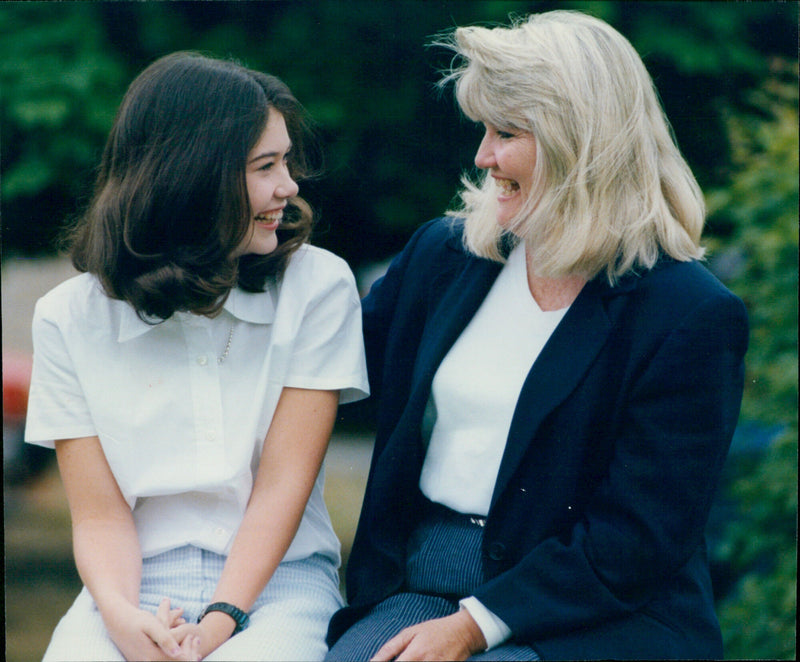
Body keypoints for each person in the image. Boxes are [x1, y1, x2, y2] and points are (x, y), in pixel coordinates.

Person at [326, 10, 748, 661]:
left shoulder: (688, 314)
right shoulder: (444, 256)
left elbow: (635, 540)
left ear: (578, 141)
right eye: (483, 130)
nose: (482, 157)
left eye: (506, 133)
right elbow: (330, 375)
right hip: (420, 582)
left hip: (597, 610)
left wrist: (474, 626)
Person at [24, 52, 368, 662]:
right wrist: (123, 619)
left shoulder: (319, 286)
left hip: (278, 584)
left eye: (285, 162)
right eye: (266, 166)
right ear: (193, 176)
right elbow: (100, 518)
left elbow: (284, 484)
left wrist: (220, 622)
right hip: (132, 585)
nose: (288, 186)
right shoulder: (66, 317)